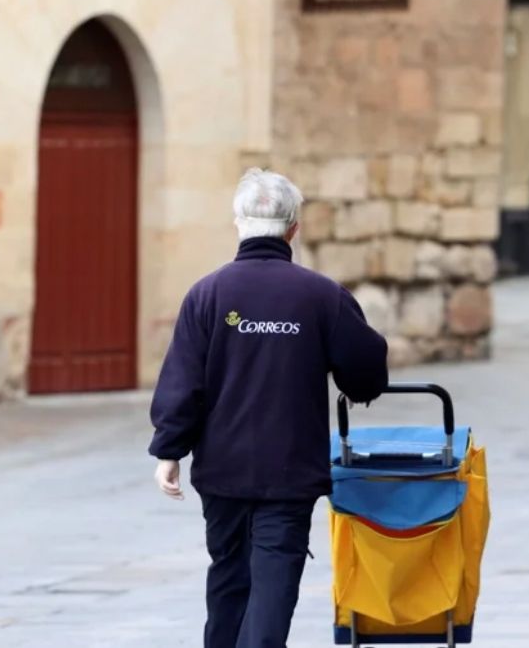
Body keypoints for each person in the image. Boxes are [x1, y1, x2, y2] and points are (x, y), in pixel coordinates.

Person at [148, 168, 388, 648]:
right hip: (289, 470)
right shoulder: (321, 296)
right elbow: (366, 369)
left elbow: (183, 380)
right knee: (274, 582)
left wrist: (169, 451)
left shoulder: (207, 295)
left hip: (223, 469)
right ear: (293, 227)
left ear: (237, 222)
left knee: (229, 578)